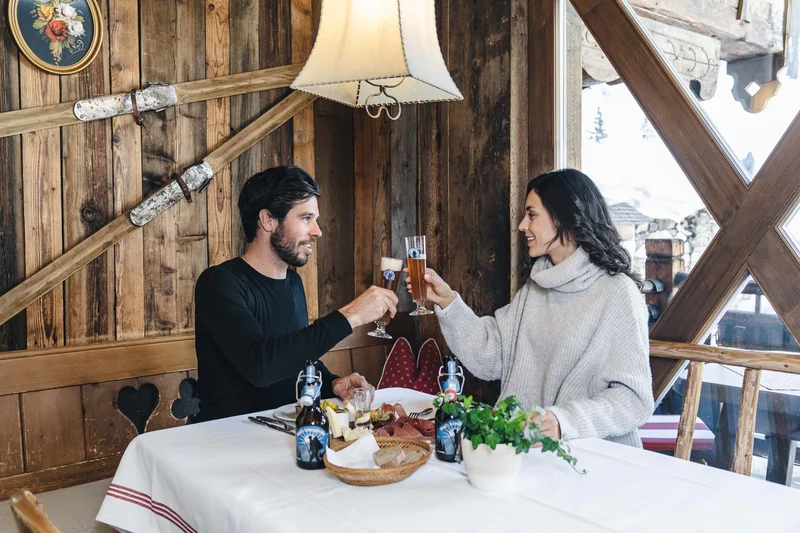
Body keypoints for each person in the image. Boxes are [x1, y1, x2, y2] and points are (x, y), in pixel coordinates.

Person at [409, 169, 654, 447]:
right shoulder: (536, 288)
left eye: (532, 214)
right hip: (525, 452)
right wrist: (447, 301)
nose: (522, 225)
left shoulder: (617, 293)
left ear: (564, 217)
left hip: (593, 459)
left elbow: (633, 399)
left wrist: (563, 422)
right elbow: (490, 357)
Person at [193, 166, 398, 423]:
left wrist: (332, 384)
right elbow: (261, 366)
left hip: (281, 433)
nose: (317, 231)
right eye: (305, 218)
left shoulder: (293, 283)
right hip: (226, 439)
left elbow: (292, 357)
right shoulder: (219, 283)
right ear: (268, 220)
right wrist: (352, 315)